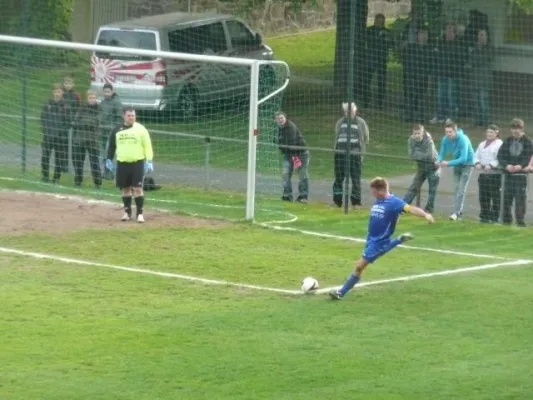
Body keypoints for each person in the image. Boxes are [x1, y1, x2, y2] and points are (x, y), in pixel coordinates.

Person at [329, 177, 434, 300]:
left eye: (374, 191)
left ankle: (341, 292)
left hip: (379, 242)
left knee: (359, 266)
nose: (372, 194)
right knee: (361, 266)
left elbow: (410, 209)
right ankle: (398, 240)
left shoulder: (395, 202)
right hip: (371, 239)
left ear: (382, 190)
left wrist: (426, 214)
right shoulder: (379, 200)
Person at [106, 107, 154, 223]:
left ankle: (140, 214)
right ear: (124, 116)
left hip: (137, 162)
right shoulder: (117, 130)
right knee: (125, 189)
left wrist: (149, 160)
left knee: (137, 188)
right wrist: (109, 159)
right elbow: (112, 146)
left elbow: (147, 145)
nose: (131, 117)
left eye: (133, 115)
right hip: (122, 163)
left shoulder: (141, 129)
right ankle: (127, 213)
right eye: (129, 115)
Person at [497, 118, 533, 227]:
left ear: (521, 129)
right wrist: (506, 165)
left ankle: (520, 221)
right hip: (508, 175)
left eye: (517, 129)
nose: (515, 131)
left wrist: (520, 165)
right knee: (506, 197)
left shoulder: (528, 142)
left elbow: (528, 156)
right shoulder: (507, 141)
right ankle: (507, 220)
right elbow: (500, 155)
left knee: (520, 198)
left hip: (520, 175)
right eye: (513, 129)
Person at [332, 102, 369, 208]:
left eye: (350, 111)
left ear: (354, 111)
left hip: (355, 154)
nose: (348, 113)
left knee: (355, 178)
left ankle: (356, 202)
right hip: (340, 154)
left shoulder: (361, 122)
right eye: (346, 111)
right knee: (339, 178)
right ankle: (337, 201)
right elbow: (337, 134)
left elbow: (366, 137)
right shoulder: (340, 122)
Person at [436, 120, 475, 220]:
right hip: (457, 164)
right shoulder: (445, 139)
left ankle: (456, 212)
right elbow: (441, 153)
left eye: (450, 132)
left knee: (461, 189)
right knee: (456, 188)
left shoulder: (463, 139)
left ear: (455, 131)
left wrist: (448, 163)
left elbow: (464, 158)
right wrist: (439, 160)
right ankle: (458, 211)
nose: (448, 134)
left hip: (467, 164)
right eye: (446, 132)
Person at [430, 23, 467, 124]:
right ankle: (440, 116)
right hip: (441, 73)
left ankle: (451, 117)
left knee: (452, 96)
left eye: (451, 30)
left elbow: (462, 59)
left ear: (454, 33)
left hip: (453, 74)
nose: (448, 32)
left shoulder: (459, 44)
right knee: (441, 95)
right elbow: (435, 56)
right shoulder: (440, 42)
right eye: (447, 30)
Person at [403, 124, 440, 213]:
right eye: (415, 133)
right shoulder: (411, 140)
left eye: (418, 133)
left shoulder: (429, 141)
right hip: (421, 166)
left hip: (433, 166)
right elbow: (411, 154)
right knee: (414, 186)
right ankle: (403, 206)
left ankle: (429, 209)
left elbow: (430, 156)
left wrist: (417, 154)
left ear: (422, 133)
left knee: (432, 189)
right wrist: (420, 156)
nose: (416, 135)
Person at [274, 112, 310, 203]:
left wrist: (295, 159)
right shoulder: (278, 129)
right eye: (278, 118)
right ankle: (287, 196)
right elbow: (276, 141)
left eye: (281, 118)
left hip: (300, 153)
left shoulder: (291, 127)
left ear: (285, 118)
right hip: (288, 154)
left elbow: (292, 143)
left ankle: (303, 196)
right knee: (285, 174)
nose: (280, 120)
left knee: (302, 174)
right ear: (275, 120)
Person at [40, 83, 71, 184]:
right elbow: (43, 118)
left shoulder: (66, 106)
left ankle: (56, 178)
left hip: (60, 138)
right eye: (56, 91)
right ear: (53, 92)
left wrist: (62, 133)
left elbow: (68, 122)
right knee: (45, 157)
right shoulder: (47, 104)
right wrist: (46, 130)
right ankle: (45, 177)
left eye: (59, 91)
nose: (57, 93)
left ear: (62, 92)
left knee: (59, 159)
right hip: (48, 136)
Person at [402, 27, 433, 122]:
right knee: (410, 96)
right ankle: (409, 115)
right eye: (421, 34)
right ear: (417, 36)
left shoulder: (429, 48)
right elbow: (406, 61)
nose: (423, 36)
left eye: (425, 34)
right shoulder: (411, 47)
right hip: (411, 75)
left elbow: (431, 63)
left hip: (423, 76)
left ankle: (421, 116)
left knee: (421, 96)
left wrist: (428, 73)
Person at [72, 90, 102, 188]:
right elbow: (76, 120)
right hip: (80, 139)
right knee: (78, 162)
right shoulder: (82, 108)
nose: (92, 99)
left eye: (93, 97)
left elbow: (98, 120)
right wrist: (87, 124)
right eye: (90, 97)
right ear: (87, 98)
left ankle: (98, 183)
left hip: (93, 140)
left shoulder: (99, 108)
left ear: (96, 98)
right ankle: (78, 181)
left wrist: (87, 123)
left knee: (94, 162)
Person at [474, 125, 503, 223]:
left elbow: (500, 158)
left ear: (496, 133)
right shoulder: (482, 144)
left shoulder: (500, 144)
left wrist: (491, 165)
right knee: (483, 196)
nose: (489, 134)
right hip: (483, 174)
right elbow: (476, 156)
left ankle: (495, 217)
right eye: (488, 132)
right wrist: (477, 163)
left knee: (495, 197)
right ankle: (484, 216)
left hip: (495, 175)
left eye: (491, 132)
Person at [363, 13, 391, 108]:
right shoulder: (369, 30)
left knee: (382, 82)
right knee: (367, 81)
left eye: (382, 21)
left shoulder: (387, 31)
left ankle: (380, 102)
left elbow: (391, 44)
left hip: (381, 59)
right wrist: (379, 36)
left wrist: (387, 39)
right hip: (371, 59)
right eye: (378, 21)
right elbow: (369, 42)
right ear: (375, 20)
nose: (380, 23)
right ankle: (366, 100)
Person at [467, 29, 494, 126]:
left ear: (486, 36)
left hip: (484, 79)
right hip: (474, 79)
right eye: (479, 35)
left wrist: (475, 58)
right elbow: (470, 60)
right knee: (475, 101)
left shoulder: (490, 48)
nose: (481, 37)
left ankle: (486, 120)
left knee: (483, 101)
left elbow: (483, 59)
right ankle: (477, 120)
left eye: (483, 35)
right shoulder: (474, 47)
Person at [99, 83, 123, 180]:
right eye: (105, 91)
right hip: (102, 132)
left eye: (108, 91)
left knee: (109, 153)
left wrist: (114, 128)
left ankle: (110, 174)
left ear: (112, 91)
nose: (106, 93)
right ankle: (104, 173)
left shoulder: (117, 103)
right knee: (102, 154)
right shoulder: (103, 102)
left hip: (112, 133)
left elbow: (120, 118)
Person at [61, 74, 82, 173]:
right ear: (63, 84)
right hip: (63, 123)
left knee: (74, 146)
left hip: (74, 123)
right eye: (66, 83)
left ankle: (75, 167)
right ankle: (64, 167)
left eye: (70, 83)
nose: (68, 85)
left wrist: (75, 120)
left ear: (73, 84)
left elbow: (80, 108)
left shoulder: (76, 95)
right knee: (63, 145)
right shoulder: (61, 94)